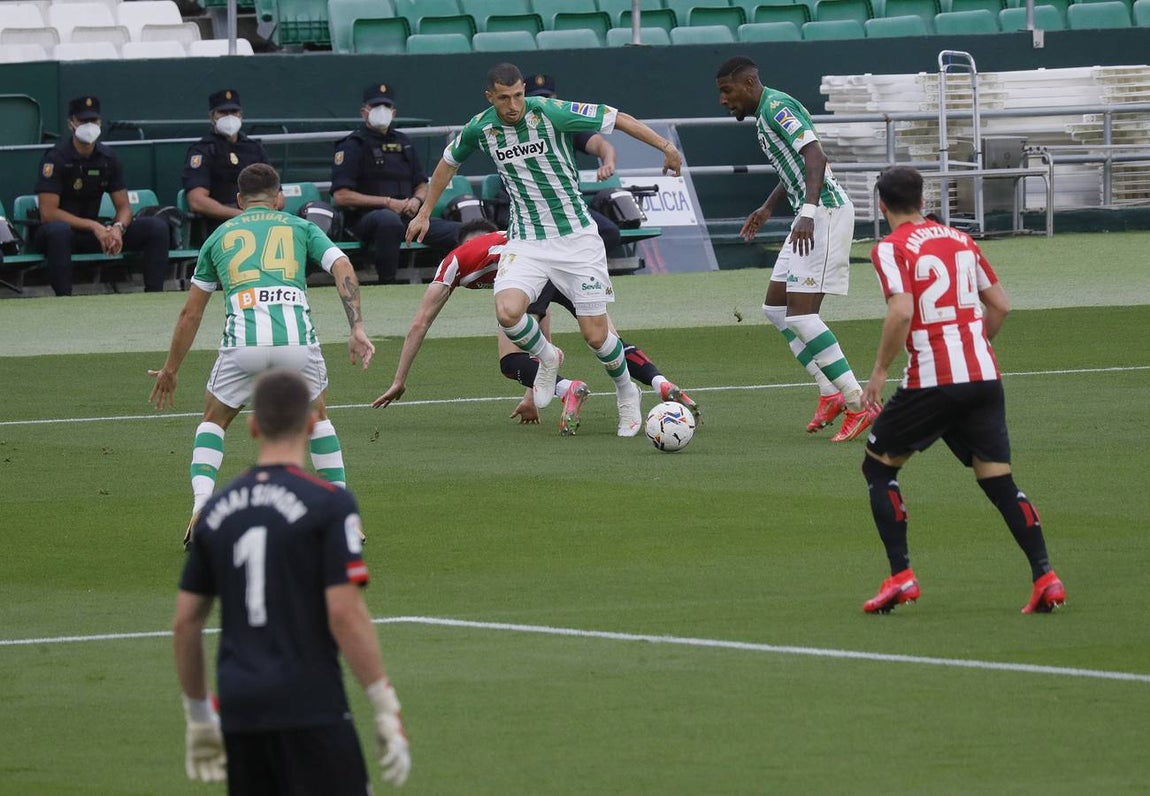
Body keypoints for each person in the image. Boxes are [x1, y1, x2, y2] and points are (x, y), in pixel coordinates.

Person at [407, 62, 683, 437]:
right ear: (490, 97)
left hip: (576, 240)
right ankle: (549, 356)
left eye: (518, 95)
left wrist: (666, 147)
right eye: (504, 98)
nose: (513, 105)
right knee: (507, 312)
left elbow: (617, 118)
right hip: (526, 240)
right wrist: (424, 212)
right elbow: (446, 164)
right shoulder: (481, 127)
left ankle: (626, 391)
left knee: (597, 337)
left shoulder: (549, 112)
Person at [172, 369, 410, 793]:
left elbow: (186, 622)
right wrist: (384, 704)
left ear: (251, 425)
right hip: (310, 700)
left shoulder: (216, 513)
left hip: (241, 705)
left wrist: (198, 717)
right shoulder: (329, 504)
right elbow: (344, 611)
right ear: (312, 423)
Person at [858, 165, 1065, 615]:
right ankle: (1045, 575)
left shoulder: (890, 248)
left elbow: (900, 311)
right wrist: (971, 344)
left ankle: (901, 575)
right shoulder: (962, 240)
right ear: (923, 201)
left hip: (933, 379)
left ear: (881, 204)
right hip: (984, 377)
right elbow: (1001, 305)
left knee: (878, 469)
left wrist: (877, 371)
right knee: (998, 480)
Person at [148, 163, 375, 546]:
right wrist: (356, 326)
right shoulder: (301, 227)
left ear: (239, 200)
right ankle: (344, 516)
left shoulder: (219, 236)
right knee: (317, 419)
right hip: (297, 344)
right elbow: (343, 266)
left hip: (243, 346)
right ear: (280, 197)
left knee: (213, 421)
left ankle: (202, 505)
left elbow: (192, 312)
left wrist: (171, 369)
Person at [372, 218, 700, 435]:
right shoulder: (515, 239)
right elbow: (543, 316)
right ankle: (659, 382)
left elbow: (419, 324)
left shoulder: (457, 260)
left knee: (510, 359)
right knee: (604, 339)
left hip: (539, 271)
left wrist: (399, 380)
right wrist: (535, 386)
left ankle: (566, 387)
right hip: (567, 265)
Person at [715, 56, 875, 443]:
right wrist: (770, 206)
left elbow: (816, 157)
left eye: (727, 90)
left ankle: (860, 403)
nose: (723, 100)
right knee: (775, 308)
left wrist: (807, 212)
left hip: (825, 214)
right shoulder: (765, 115)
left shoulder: (777, 108)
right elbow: (797, 168)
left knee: (803, 317)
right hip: (810, 215)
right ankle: (829, 390)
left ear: (750, 83)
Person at [33, 95, 170, 296]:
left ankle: (154, 294)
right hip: (60, 235)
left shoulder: (108, 158)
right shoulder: (55, 158)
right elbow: (48, 213)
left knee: (156, 227)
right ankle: (64, 298)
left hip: (95, 232)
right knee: (58, 231)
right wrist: (93, 226)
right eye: (83, 121)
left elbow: (123, 207)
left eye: (93, 121)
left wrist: (117, 228)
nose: (89, 126)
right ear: (71, 123)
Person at [331, 83, 460, 285]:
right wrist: (387, 202)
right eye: (376, 107)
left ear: (393, 112)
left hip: (407, 216)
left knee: (458, 231)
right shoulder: (352, 145)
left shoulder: (404, 142)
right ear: (364, 112)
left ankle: (455, 280)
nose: (381, 112)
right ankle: (388, 283)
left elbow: (422, 184)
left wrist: (417, 200)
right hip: (364, 220)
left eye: (386, 107)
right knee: (387, 220)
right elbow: (341, 195)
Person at [520, 73, 621, 253]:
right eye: (537, 99)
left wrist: (608, 162)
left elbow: (601, 145)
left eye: (546, 98)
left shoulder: (564, 125)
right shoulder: (513, 129)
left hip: (565, 205)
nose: (542, 104)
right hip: (528, 207)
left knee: (608, 232)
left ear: (555, 99)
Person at [181, 89, 271, 240]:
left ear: (241, 115)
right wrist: (241, 216)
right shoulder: (202, 151)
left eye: (234, 111)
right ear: (212, 117)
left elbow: (278, 195)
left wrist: (259, 214)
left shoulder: (254, 148)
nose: (229, 117)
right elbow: (197, 201)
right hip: (220, 225)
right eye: (223, 112)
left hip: (260, 221)